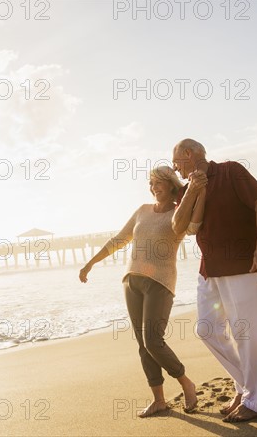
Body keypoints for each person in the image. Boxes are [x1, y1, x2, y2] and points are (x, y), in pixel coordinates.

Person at [79, 166, 203, 418]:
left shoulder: (179, 213)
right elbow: (119, 239)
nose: (153, 187)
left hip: (160, 282)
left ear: (170, 185)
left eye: (158, 183)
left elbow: (191, 227)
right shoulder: (142, 210)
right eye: (151, 183)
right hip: (131, 282)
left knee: (153, 341)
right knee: (142, 345)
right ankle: (159, 400)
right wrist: (91, 262)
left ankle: (185, 382)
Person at [171, 138, 257, 423]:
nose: (175, 168)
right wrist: (193, 188)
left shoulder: (231, 171)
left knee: (246, 335)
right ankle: (246, 387)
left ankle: (256, 400)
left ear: (189, 154)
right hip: (209, 271)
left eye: (176, 161)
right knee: (206, 330)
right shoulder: (185, 190)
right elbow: (181, 227)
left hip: (245, 265)